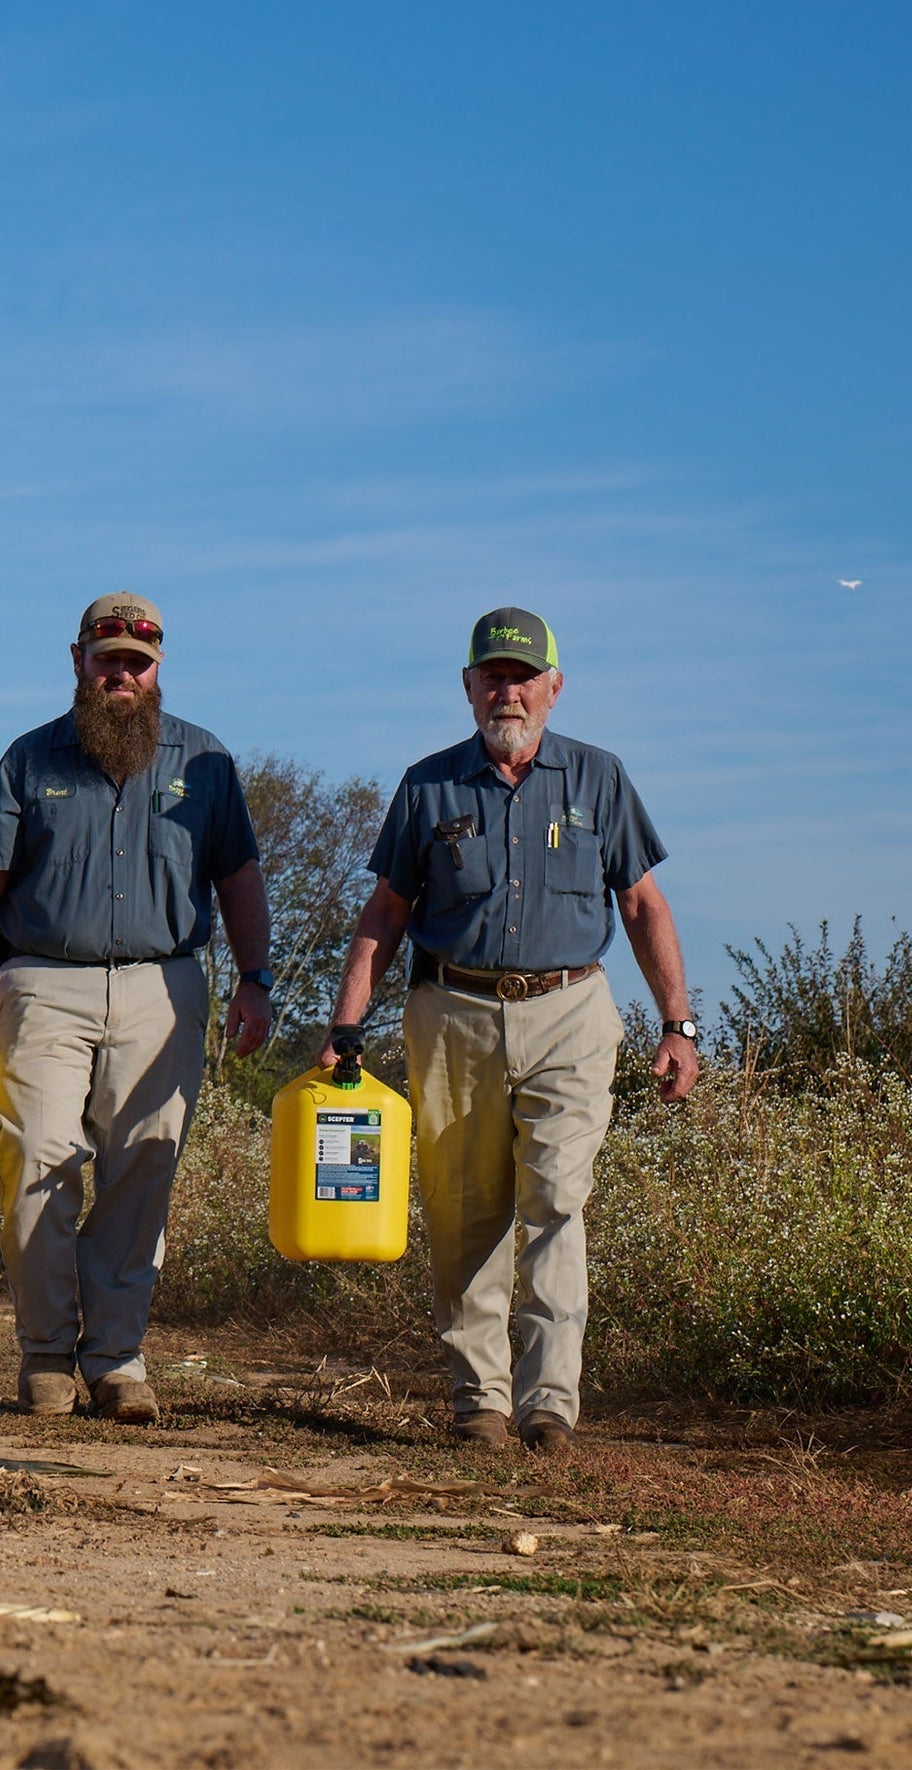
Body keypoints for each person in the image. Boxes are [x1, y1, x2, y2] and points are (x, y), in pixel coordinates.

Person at [324, 607, 699, 1458]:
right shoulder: (427, 786)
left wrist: (677, 1023)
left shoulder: (601, 779)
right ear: (467, 688)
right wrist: (347, 1024)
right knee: (465, 1212)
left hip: (571, 1011)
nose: (509, 691)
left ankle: (550, 1408)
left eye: (524, 677)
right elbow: (386, 913)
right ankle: (479, 1404)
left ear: (554, 689)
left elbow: (642, 906)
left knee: (558, 1203)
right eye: (492, 676)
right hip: (451, 1012)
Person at [0, 592, 274, 1424]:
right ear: (77, 660)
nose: (122, 674)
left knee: (144, 1165)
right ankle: (45, 1354)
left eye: (137, 662)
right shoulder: (28, 760)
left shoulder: (206, 761)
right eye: (107, 658)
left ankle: (116, 1359)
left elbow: (241, 879)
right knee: (37, 1156)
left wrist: (255, 979)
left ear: (158, 670)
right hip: (43, 983)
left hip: (164, 985)